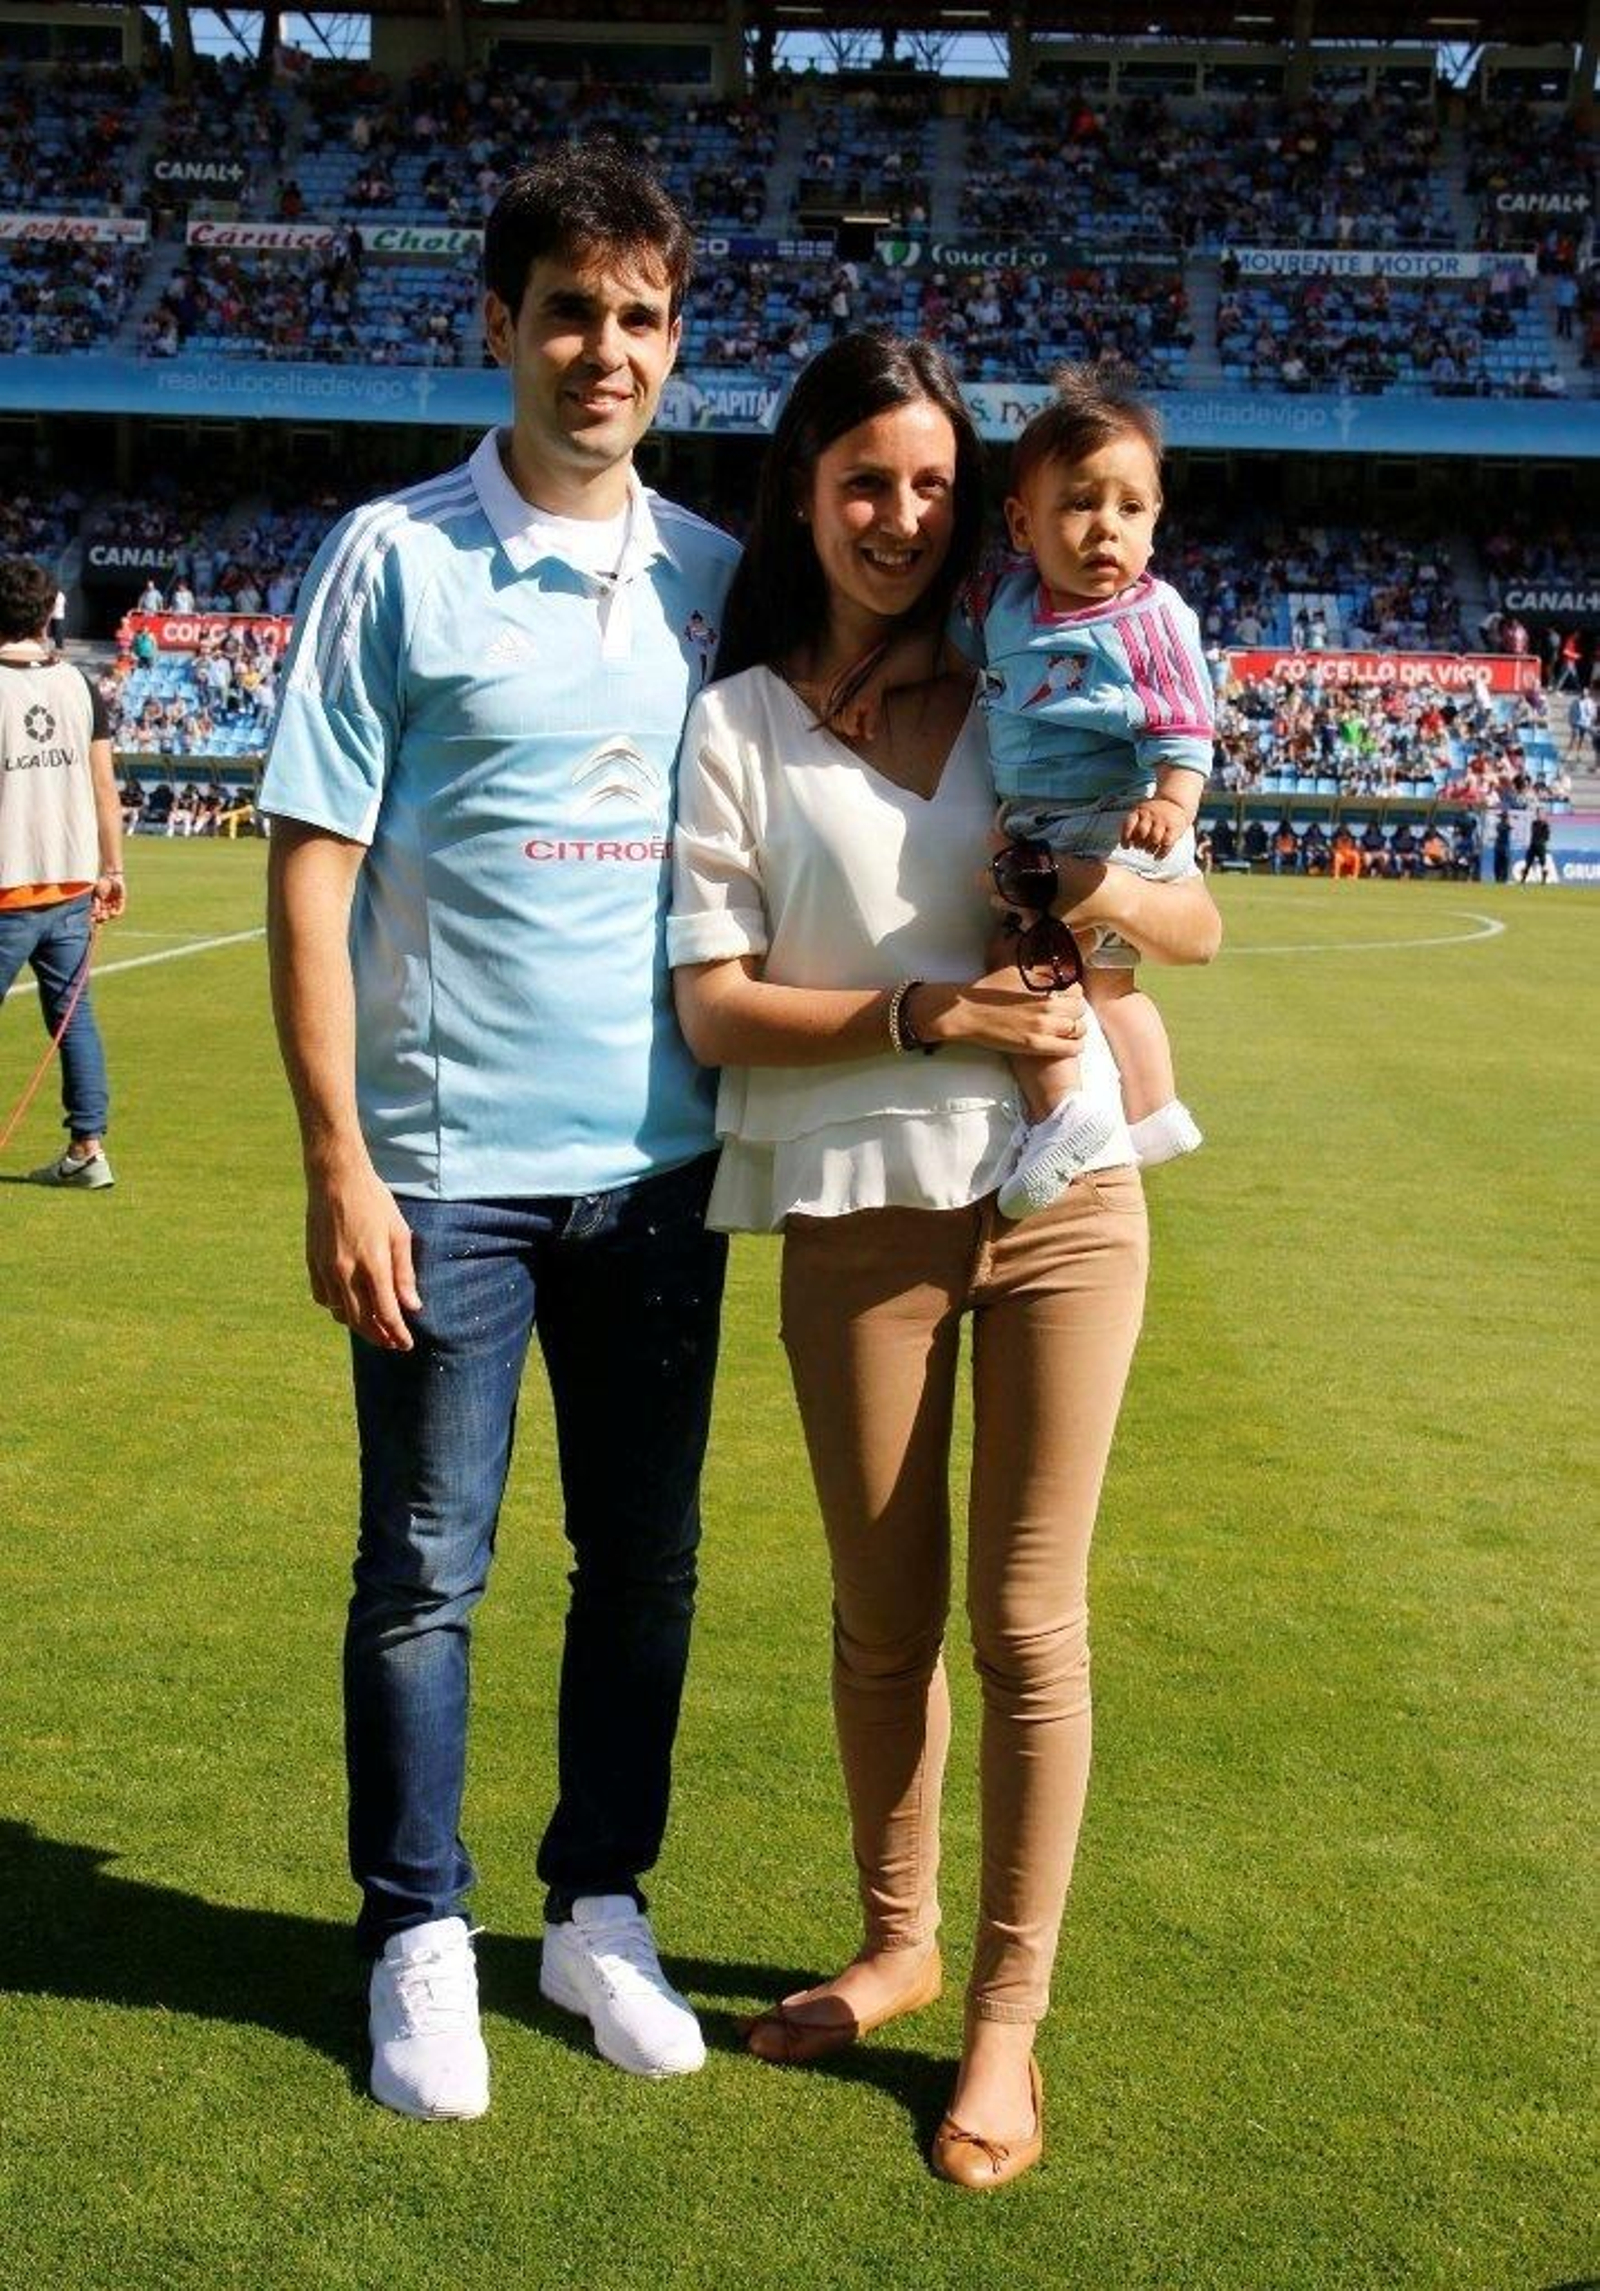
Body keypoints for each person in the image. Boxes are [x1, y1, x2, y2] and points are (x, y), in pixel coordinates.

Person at [668, 334, 1221, 2189]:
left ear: (971, 502)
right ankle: (894, 1943)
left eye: (927, 485)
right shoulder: (735, 717)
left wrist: (1108, 889)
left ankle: (1004, 2017)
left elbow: (1192, 919)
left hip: (1069, 1200)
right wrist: (924, 1010)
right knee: (881, 1616)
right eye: (860, 483)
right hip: (851, 1210)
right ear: (805, 498)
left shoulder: (1036, 661)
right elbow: (719, 1010)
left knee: (1026, 1625)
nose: (897, 519)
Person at [260, 148, 739, 2124]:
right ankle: (417, 1929)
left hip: (660, 1173)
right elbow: (310, 870)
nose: (600, 350)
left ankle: (596, 1904)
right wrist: (335, 1160)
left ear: (673, 338)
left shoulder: (715, 577)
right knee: (424, 1570)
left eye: (637, 316)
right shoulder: (395, 555)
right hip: (444, 1173)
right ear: (495, 325)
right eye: (566, 311)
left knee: (642, 1565)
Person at [966, 365, 1213, 1218]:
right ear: (1021, 522)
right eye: (1079, 504)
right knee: (1110, 985)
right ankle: (1155, 1110)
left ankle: (1063, 1105)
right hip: (1047, 820)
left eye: (1130, 508)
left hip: (1106, 827)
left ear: (1154, 523)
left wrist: (1173, 806)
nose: (1105, 528)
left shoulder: (1148, 619)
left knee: (1019, 958)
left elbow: (1185, 729)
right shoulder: (1006, 602)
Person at [0, 556, 126, 1186]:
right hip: (72, 883)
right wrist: (113, 868)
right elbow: (105, 786)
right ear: (51, 610)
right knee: (74, 1020)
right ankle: (88, 1148)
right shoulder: (79, 684)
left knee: (73, 1019)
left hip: (7, 884)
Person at [1516, 812, 1554, 883]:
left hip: (1539, 846)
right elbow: (1538, 833)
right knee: (1529, 863)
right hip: (1535, 845)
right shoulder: (1535, 823)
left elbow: (1546, 837)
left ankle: (1543, 880)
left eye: (1542, 816)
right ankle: (1523, 879)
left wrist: (1545, 828)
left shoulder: (1544, 825)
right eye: (1539, 816)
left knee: (1542, 863)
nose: (1540, 817)